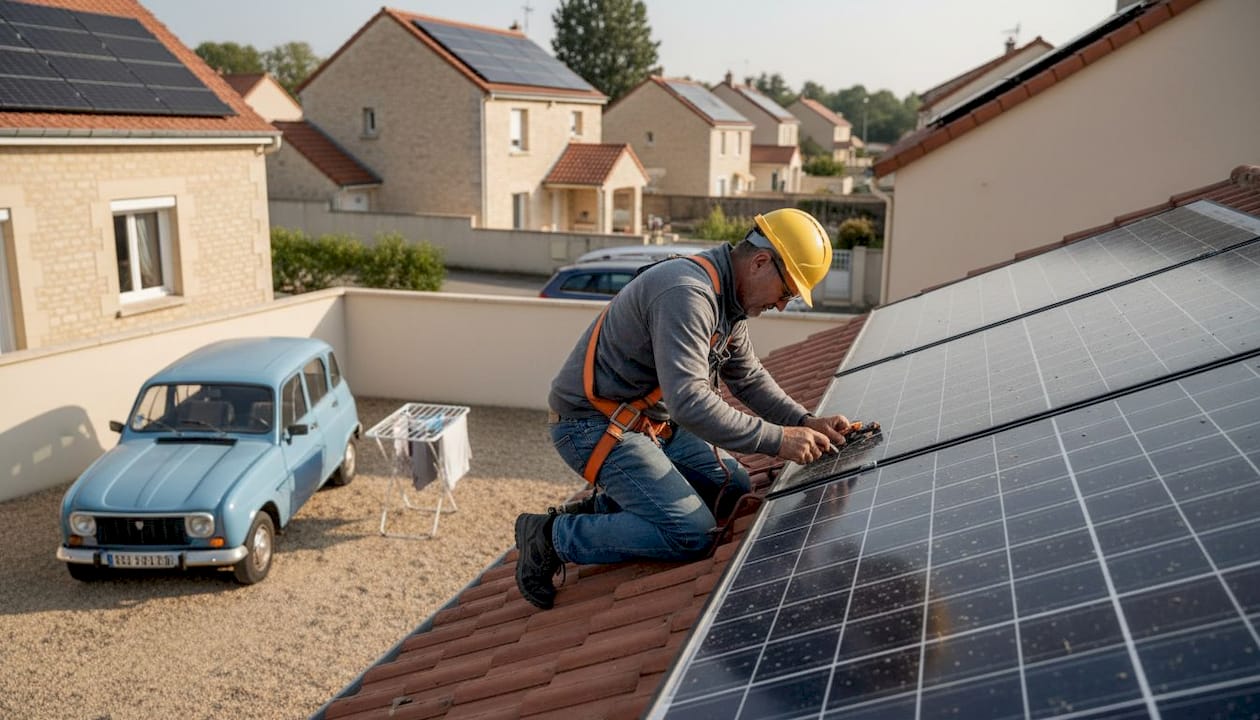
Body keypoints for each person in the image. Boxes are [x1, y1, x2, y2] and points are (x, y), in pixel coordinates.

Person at [516, 208, 853, 610]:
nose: (782, 305)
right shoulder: (687, 293)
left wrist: (804, 420)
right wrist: (779, 440)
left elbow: (747, 378)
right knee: (691, 534)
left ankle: (611, 507)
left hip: (653, 425)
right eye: (787, 292)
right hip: (592, 426)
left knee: (735, 488)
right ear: (761, 261)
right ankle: (552, 536)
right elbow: (689, 401)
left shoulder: (728, 301)